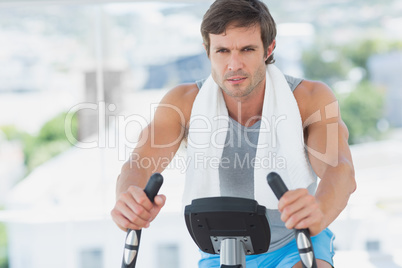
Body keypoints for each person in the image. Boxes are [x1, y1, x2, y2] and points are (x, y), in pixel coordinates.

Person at [111, 0, 356, 267]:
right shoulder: (183, 102)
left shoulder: (310, 98)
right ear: (207, 51)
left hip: (294, 243)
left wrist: (319, 210)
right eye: (223, 51)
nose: (234, 64)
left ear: (269, 48)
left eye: (247, 49)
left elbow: (339, 170)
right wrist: (130, 197)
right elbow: (139, 162)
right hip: (218, 248)